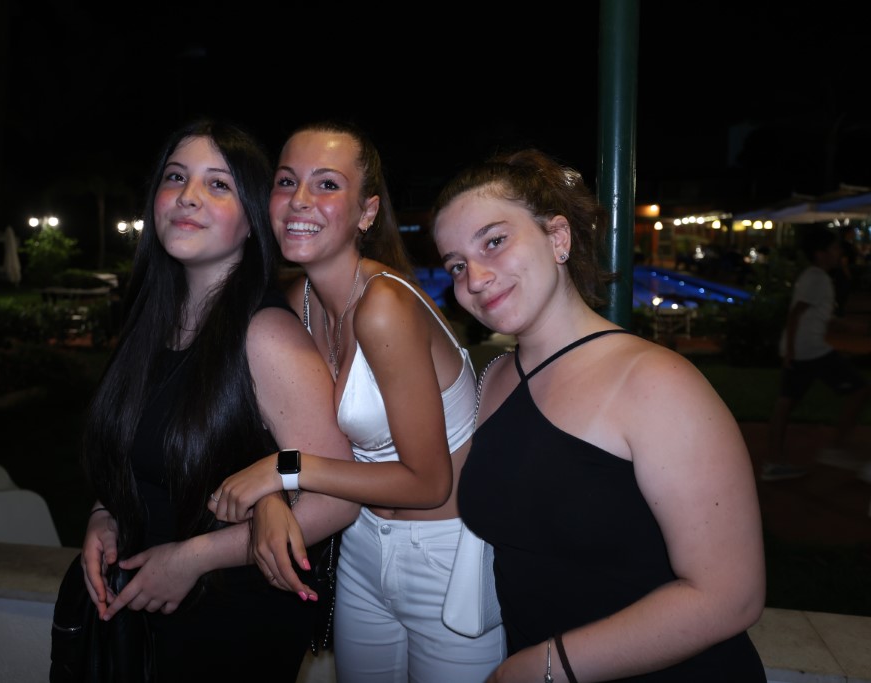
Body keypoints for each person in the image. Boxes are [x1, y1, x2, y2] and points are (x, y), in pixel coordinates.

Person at [431, 148, 767, 682]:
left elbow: (730, 595)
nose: (474, 277)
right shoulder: (493, 378)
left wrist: (544, 666)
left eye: (494, 241)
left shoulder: (655, 382)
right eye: (456, 264)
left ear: (558, 238)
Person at [210, 120, 506, 682]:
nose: (300, 200)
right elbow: (287, 425)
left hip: (446, 555)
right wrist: (274, 495)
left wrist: (283, 470)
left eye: (326, 184)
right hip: (362, 543)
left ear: (367, 212)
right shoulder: (298, 302)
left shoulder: (384, 305)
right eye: (286, 181)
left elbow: (428, 483)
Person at [77, 119, 358, 682]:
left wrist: (193, 558)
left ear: (253, 220)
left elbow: (339, 498)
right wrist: (106, 515)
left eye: (218, 184)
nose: (188, 196)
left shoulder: (265, 335)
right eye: (176, 177)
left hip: (231, 619)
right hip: (148, 615)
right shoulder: (151, 323)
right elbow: (141, 453)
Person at [765, 225, 870, 481]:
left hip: (803, 350)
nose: (838, 252)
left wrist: (852, 326)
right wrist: (791, 350)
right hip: (809, 351)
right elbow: (795, 314)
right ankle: (835, 449)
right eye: (834, 248)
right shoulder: (817, 278)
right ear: (820, 253)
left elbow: (818, 315)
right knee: (859, 389)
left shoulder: (814, 276)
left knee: (785, 404)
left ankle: (773, 462)